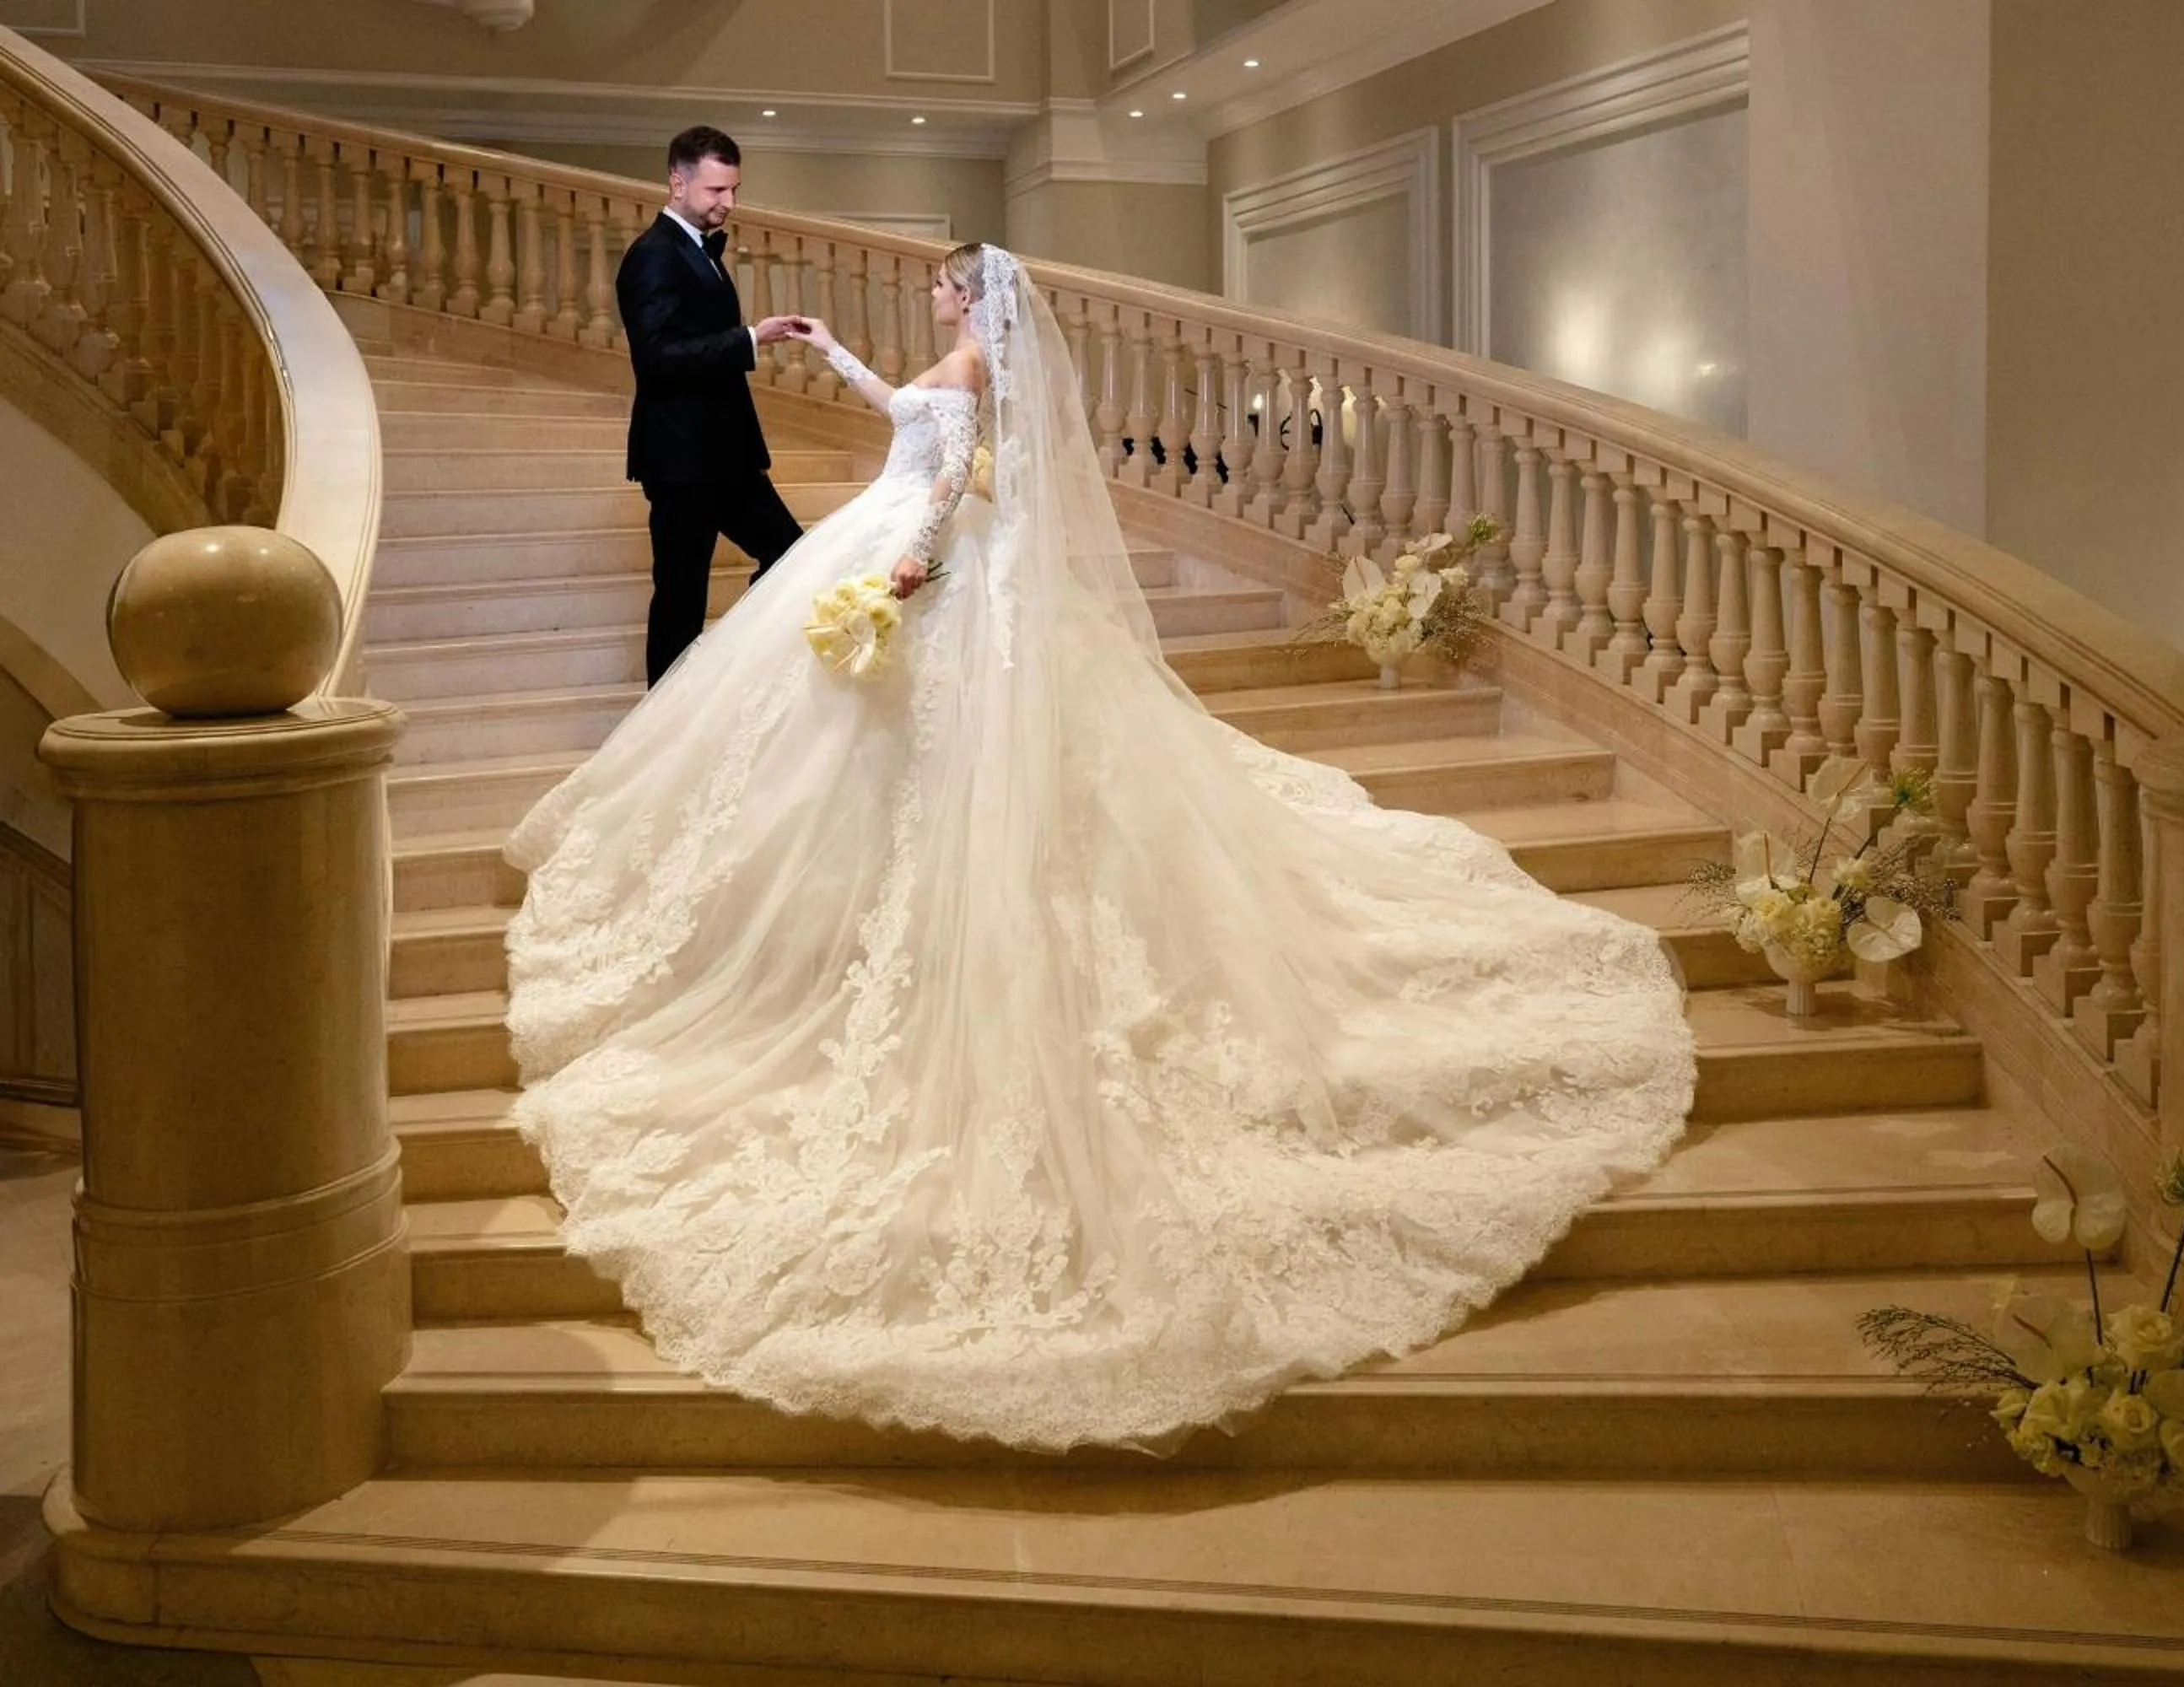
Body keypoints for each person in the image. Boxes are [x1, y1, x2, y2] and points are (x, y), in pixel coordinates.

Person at [504, 242, 1696, 1453]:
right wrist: (833, 355)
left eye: (940, 286)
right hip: (901, 540)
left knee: (961, 773)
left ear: (970, 299)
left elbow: (952, 471)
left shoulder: (973, 362)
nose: (930, 296)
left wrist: (914, 560)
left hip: (927, 556)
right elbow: (915, 427)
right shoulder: (966, 360)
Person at [617, 125, 808, 684]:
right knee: (681, 595)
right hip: (681, 459)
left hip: (726, 455)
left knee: (790, 555)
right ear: (677, 183)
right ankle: (660, 730)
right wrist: (750, 339)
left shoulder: (698, 249)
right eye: (716, 191)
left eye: (734, 190)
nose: (729, 203)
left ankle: (727, 676)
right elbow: (656, 358)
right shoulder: (652, 255)